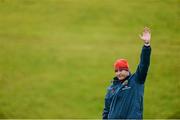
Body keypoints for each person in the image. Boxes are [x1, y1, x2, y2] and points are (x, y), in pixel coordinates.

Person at [102, 27, 152, 119]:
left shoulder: (137, 80)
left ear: (127, 70)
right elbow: (106, 111)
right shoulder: (111, 88)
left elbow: (144, 64)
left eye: (121, 70)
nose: (118, 73)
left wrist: (146, 45)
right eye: (116, 71)